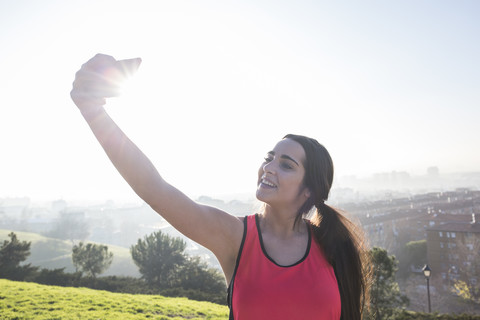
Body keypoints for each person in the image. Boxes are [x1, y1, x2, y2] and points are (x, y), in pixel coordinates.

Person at [70, 53, 370, 320]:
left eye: (286, 164)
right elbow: (154, 189)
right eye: (270, 158)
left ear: (309, 190)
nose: (269, 168)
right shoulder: (235, 237)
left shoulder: (334, 244)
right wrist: (92, 110)